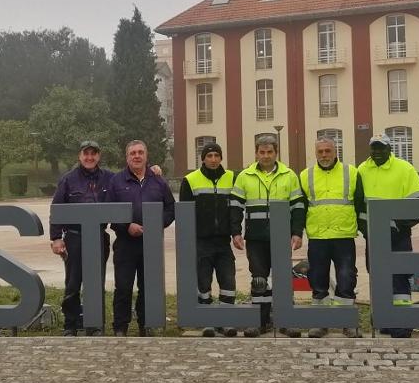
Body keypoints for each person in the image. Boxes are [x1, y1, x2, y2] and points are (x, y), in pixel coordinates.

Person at [356, 134, 419, 338]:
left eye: (381, 148)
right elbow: (358, 204)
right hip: (373, 236)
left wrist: (398, 224)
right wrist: (365, 228)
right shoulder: (362, 170)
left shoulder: (405, 169)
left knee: (399, 277)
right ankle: (384, 319)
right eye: (374, 149)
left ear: (390, 149)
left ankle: (402, 323)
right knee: (377, 276)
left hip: (398, 235)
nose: (377, 153)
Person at [233, 135, 304, 337]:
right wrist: (236, 232)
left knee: (282, 280)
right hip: (255, 238)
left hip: (281, 237)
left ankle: (286, 321)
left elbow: (298, 206)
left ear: (276, 153)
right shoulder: (245, 176)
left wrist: (297, 233)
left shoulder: (289, 175)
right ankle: (260, 321)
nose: (266, 156)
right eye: (262, 152)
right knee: (259, 280)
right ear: (256, 153)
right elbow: (235, 207)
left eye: (269, 152)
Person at [106, 140, 175, 336]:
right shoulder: (116, 181)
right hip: (125, 244)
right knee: (123, 287)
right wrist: (127, 226)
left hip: (151, 244)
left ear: (146, 155)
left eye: (140, 152)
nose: (137, 156)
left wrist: (156, 224)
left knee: (148, 287)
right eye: (132, 153)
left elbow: (170, 208)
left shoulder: (159, 181)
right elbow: (110, 211)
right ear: (126, 157)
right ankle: (120, 327)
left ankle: (146, 326)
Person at [298, 137, 362, 338]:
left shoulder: (351, 172)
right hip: (317, 237)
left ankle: (347, 323)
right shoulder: (305, 175)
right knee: (317, 280)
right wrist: (297, 232)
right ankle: (320, 323)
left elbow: (360, 202)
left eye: (328, 151)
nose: (324, 155)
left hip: (343, 235)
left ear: (335, 152)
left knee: (346, 278)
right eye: (320, 152)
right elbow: (301, 208)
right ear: (315, 153)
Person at [179, 141, 245, 337]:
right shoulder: (190, 180)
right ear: (203, 159)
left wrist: (235, 232)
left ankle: (226, 321)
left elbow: (235, 209)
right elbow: (185, 213)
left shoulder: (232, 178)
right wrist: (188, 240)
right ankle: (206, 321)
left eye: (217, 156)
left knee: (228, 281)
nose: (213, 159)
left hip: (223, 241)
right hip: (201, 241)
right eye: (209, 156)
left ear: (221, 158)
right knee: (203, 282)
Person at [49, 140, 114, 336]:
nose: (89, 157)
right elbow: (57, 210)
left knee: (96, 282)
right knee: (73, 283)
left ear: (99, 156)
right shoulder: (68, 180)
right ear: (79, 156)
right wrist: (56, 238)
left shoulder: (110, 178)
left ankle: (95, 326)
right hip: (74, 239)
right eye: (86, 154)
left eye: (93, 154)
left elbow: (131, 177)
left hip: (98, 238)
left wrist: (153, 170)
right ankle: (70, 325)